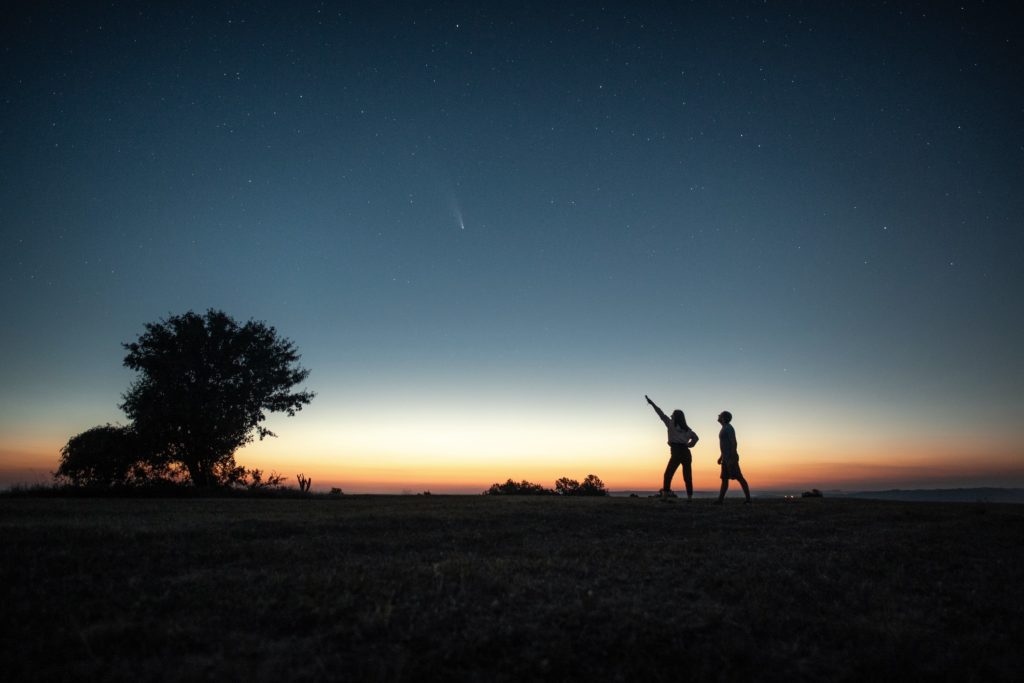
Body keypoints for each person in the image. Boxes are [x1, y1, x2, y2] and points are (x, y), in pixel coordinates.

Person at [646, 395, 699, 501]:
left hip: (676, 451)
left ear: (675, 417)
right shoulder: (687, 429)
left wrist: (652, 404)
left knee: (668, 474)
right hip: (686, 452)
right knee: (687, 475)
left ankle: (665, 497)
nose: (671, 415)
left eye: (672, 415)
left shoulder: (670, 424)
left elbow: (660, 413)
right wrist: (690, 445)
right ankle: (689, 497)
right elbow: (696, 438)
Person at [715, 410, 751, 503]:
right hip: (726, 458)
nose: (718, 416)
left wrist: (733, 457)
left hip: (730, 458)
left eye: (720, 415)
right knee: (724, 479)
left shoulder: (728, 428)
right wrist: (721, 457)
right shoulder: (724, 428)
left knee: (739, 477)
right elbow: (724, 445)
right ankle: (720, 500)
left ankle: (748, 499)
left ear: (723, 418)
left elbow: (733, 442)